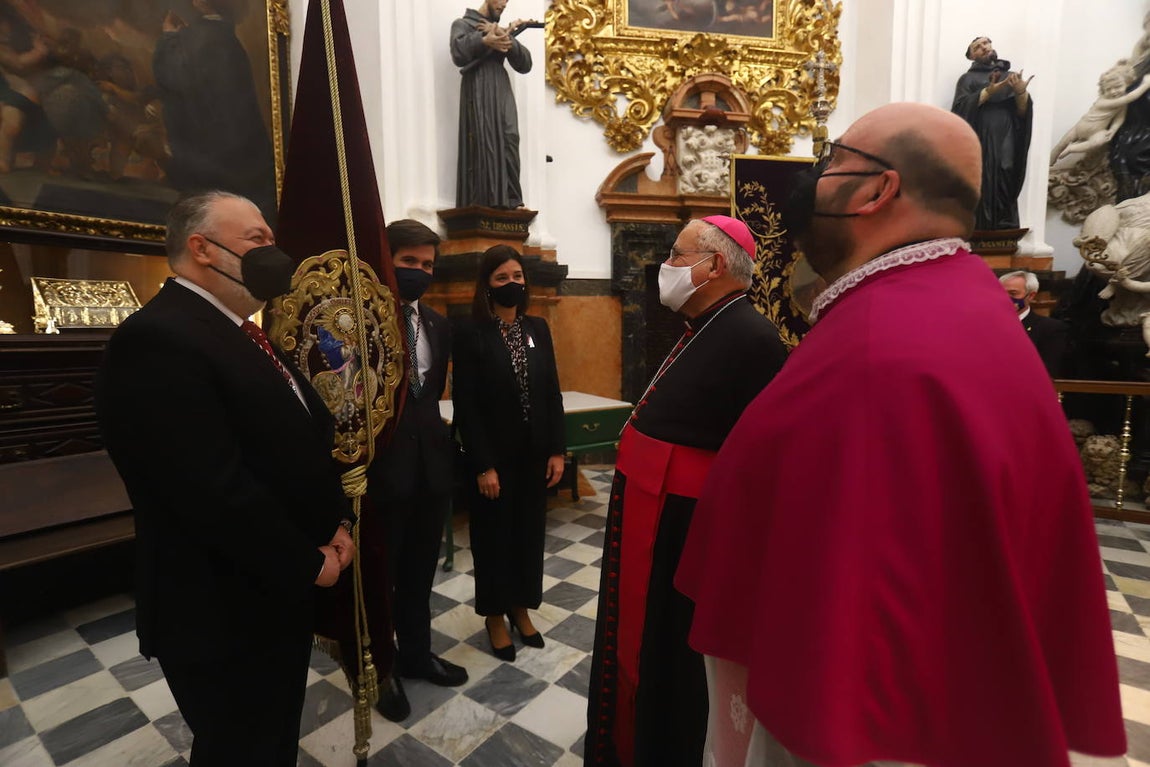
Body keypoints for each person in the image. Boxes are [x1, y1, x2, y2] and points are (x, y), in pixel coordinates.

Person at [676, 103, 1125, 767]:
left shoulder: (885, 347)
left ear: (879, 189)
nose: (816, 177)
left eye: (833, 162)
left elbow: (853, 595)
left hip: (871, 726)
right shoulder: (951, 303)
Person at [96, 191, 355, 765]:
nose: (274, 252)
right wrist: (307, 561)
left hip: (270, 589)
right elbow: (209, 488)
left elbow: (299, 443)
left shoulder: (241, 332)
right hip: (220, 608)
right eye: (257, 240)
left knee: (271, 737)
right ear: (202, 249)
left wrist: (334, 520)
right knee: (241, 748)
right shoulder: (157, 338)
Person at [584, 215, 788, 767]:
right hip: (656, 522)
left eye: (677, 256)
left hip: (683, 538)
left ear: (715, 265)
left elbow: (763, 468)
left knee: (667, 665)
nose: (666, 267)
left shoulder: (752, 338)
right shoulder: (703, 326)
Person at [369, 219, 467, 722]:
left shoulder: (437, 323)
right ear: (387, 260)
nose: (420, 272)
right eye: (409, 262)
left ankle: (416, 653)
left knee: (418, 574)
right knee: (382, 577)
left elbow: (430, 399)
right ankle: (380, 669)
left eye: (427, 265)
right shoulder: (361, 320)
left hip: (431, 469)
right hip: (383, 473)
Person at [451, 245, 565, 662]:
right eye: (502, 277)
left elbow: (551, 391)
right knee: (493, 538)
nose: (512, 283)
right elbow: (466, 404)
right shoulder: (469, 333)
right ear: (487, 285)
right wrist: (482, 464)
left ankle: (521, 607)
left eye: (518, 276)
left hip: (534, 457)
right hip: (493, 461)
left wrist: (557, 450)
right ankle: (495, 615)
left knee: (529, 535)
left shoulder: (537, 328)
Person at [152, 0, 277, 219]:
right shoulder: (224, 36)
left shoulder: (206, 37)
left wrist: (169, 38)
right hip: (233, 147)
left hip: (214, 151)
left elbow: (172, 78)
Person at [450, 0, 531, 209]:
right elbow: (458, 53)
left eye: (507, 1)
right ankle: (484, 200)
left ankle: (513, 199)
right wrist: (484, 40)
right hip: (478, 84)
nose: (504, 4)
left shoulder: (501, 30)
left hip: (500, 83)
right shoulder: (462, 24)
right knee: (483, 139)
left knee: (510, 137)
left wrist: (508, 38)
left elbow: (525, 64)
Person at [951, 36, 1033, 231]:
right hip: (979, 135)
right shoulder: (967, 79)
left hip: (1007, 134)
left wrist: (1021, 93)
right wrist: (988, 92)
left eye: (986, 43)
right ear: (972, 56)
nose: (983, 47)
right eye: (977, 47)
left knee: (1006, 170)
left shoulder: (1010, 76)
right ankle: (980, 226)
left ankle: (1004, 225)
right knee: (982, 177)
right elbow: (959, 111)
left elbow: (1022, 114)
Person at [1050, 65, 1150, 170]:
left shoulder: (1121, 103)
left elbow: (1120, 117)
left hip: (1096, 132)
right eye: (1108, 89)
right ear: (1103, 90)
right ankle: (1048, 163)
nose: (1113, 91)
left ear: (1127, 83)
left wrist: (1113, 129)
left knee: (1099, 141)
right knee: (1060, 145)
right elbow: (1130, 97)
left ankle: (1072, 148)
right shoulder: (1103, 101)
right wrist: (1146, 84)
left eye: (1118, 87)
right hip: (1079, 129)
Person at [999, 270, 1069, 377]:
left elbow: (1048, 370)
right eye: (1001, 292)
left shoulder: (1050, 328)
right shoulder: (985, 326)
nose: (1006, 298)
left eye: (1013, 293)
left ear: (1031, 296)